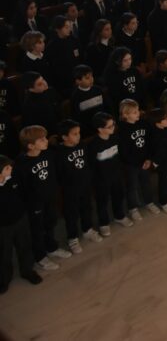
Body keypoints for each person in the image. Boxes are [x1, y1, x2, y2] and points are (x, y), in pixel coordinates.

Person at [15, 126, 72, 272]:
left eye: (45, 138)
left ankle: (51, 247)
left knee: (50, 222)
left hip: (50, 196)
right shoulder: (22, 164)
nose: (46, 141)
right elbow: (22, 187)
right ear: (30, 146)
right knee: (37, 229)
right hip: (35, 203)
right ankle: (40, 257)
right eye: (41, 140)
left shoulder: (48, 154)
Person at [54, 120, 103, 255]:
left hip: (85, 184)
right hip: (70, 189)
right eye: (74, 134)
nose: (78, 136)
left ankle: (87, 229)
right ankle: (73, 238)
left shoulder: (82, 145)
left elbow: (87, 162)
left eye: (79, 133)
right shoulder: (59, 153)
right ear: (65, 137)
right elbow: (59, 173)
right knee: (71, 213)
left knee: (87, 207)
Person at [0, 155, 44, 291]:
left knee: (24, 246)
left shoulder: (14, 178)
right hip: (3, 227)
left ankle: (27, 271)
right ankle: (4, 279)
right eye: (7, 168)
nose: (11, 169)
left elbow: (25, 193)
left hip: (20, 219)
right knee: (4, 253)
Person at [87, 112, 132, 235]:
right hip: (101, 179)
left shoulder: (115, 138)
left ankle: (119, 216)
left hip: (116, 175)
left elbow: (120, 155)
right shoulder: (93, 145)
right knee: (102, 201)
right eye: (109, 126)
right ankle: (104, 223)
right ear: (100, 129)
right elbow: (91, 166)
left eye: (113, 125)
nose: (113, 128)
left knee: (118, 195)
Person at [117, 99, 158, 221]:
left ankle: (149, 202)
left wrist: (149, 158)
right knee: (132, 186)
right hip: (131, 164)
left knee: (146, 182)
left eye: (138, 110)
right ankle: (133, 208)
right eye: (134, 112)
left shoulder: (143, 124)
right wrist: (139, 162)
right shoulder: (122, 130)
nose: (138, 113)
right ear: (125, 115)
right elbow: (124, 152)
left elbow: (149, 141)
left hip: (145, 161)